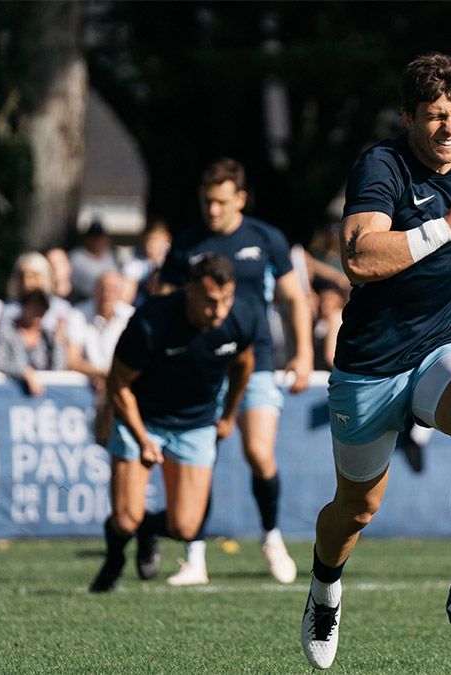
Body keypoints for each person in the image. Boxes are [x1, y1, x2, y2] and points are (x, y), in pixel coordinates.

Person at [299, 53, 451, 670]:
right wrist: (446, 231)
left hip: (441, 346)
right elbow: (359, 259)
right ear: (407, 117)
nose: (449, 128)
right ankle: (324, 589)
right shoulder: (382, 167)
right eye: (434, 117)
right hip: (370, 365)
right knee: (356, 510)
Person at [158, 158, 313, 587]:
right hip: (202, 366)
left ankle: (271, 538)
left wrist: (303, 355)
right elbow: (165, 302)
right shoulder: (187, 244)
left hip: (256, 361)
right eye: (207, 201)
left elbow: (294, 298)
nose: (212, 210)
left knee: (259, 453)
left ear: (240, 199)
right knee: (198, 460)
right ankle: (194, 556)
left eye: (221, 202)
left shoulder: (266, 239)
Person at [88, 253, 257, 592]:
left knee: (186, 526)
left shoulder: (240, 317)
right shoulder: (151, 320)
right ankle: (115, 558)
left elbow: (244, 366)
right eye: (211, 301)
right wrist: (142, 438)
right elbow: (118, 383)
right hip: (143, 417)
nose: (220, 310)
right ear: (190, 291)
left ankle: (149, 531)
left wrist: (228, 416)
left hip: (196, 423)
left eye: (226, 300)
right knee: (124, 518)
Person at [0, 289, 67, 397]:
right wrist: (24, 372)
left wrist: (58, 342)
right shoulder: (5, 331)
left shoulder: (47, 337)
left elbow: (58, 369)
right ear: (24, 306)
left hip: (42, 397)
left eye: (42, 309)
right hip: (8, 394)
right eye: (34, 307)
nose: (37, 313)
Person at [68, 218, 120, 304]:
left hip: (109, 298)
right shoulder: (76, 257)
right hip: (83, 301)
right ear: (86, 238)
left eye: (100, 237)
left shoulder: (110, 255)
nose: (97, 241)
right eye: (93, 237)